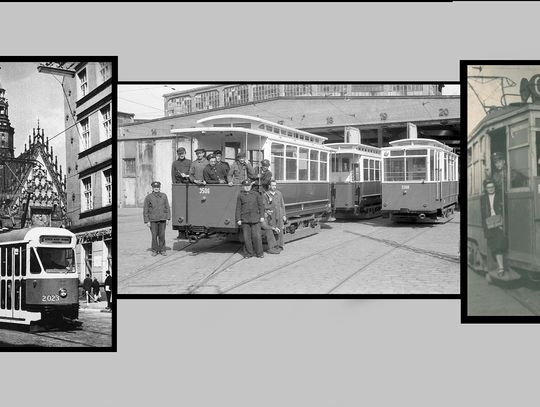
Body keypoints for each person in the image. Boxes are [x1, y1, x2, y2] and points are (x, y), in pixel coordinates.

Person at [480, 179, 507, 277]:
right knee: (493, 245)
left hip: (499, 222)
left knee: (499, 244)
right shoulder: (483, 198)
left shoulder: (501, 196)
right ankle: (498, 266)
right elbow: (482, 213)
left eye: (492, 187)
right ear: (486, 189)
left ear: (495, 187)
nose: (490, 189)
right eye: (488, 187)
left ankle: (501, 268)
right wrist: (485, 226)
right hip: (489, 223)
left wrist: (503, 223)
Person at [235, 179, 265, 258]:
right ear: (243, 187)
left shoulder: (256, 194)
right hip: (245, 220)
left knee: (257, 237)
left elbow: (261, 206)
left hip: (255, 219)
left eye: (248, 186)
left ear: (250, 186)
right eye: (245, 186)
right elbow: (238, 208)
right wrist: (238, 219)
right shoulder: (240, 195)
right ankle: (249, 253)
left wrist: (262, 216)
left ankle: (259, 253)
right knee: (246, 238)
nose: (247, 187)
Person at [143, 181, 171, 256]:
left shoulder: (164, 196)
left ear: (159, 188)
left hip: (162, 219)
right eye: (155, 187)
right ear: (152, 188)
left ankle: (162, 250)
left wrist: (168, 218)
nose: (156, 189)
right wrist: (147, 221)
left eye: (157, 187)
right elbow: (145, 209)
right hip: (153, 220)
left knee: (162, 235)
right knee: (154, 235)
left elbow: (167, 207)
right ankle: (154, 250)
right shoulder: (149, 197)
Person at [264, 180, 287, 250]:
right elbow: (264, 206)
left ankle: (280, 245)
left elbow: (282, 204)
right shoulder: (266, 195)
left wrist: (284, 215)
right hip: (271, 216)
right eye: (273, 185)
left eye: (275, 185)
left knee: (280, 229)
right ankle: (273, 246)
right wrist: (267, 212)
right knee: (272, 230)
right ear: (269, 186)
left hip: (279, 214)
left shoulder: (279, 193)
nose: (274, 187)